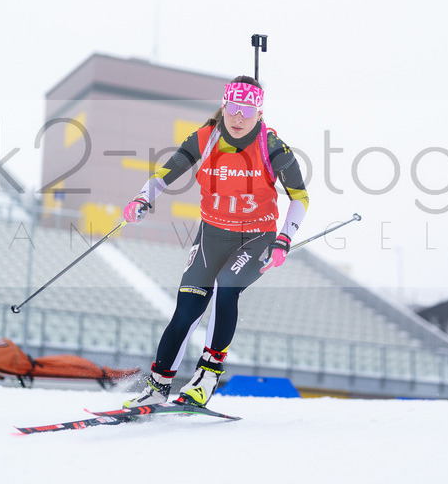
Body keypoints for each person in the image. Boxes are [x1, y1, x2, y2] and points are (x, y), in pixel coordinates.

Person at [121, 75, 309, 409]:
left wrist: (284, 238)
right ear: (223, 106)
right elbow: (165, 175)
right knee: (187, 309)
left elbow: (300, 197)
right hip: (212, 235)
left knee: (226, 285)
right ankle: (157, 386)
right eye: (233, 107)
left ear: (259, 114)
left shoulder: (273, 148)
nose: (238, 117)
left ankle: (206, 378)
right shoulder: (204, 138)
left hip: (256, 238)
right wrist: (141, 198)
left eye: (247, 110)